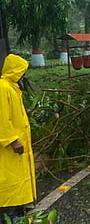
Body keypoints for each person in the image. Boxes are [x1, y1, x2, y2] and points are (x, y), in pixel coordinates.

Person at [0, 54, 36, 223]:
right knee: (8, 183)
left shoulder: (12, 87)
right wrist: (12, 140)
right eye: (21, 71)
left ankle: (17, 211)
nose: (23, 75)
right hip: (9, 147)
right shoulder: (3, 88)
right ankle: (8, 216)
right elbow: (1, 118)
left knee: (16, 181)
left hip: (17, 145)